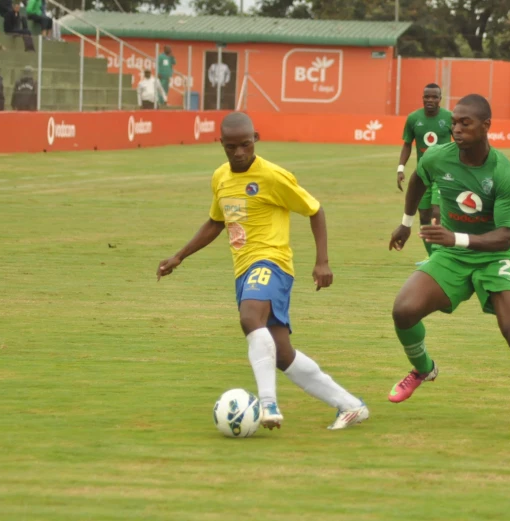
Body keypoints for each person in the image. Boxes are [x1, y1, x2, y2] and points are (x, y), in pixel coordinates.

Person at [156, 112, 369, 431]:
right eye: (231, 147)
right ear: (221, 144)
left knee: (249, 318)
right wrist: (179, 256)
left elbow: (314, 209)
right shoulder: (220, 178)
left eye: (245, 145)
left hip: (272, 262)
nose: (239, 153)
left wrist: (322, 261)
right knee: (282, 354)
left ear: (255, 138)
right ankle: (351, 406)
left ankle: (267, 402)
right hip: (243, 270)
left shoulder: (272, 176)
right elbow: (217, 222)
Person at [387, 94, 510, 432]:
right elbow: (418, 180)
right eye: (454, 123)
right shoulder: (437, 157)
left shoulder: (503, 173)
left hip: (495, 256)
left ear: (486, 126)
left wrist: (456, 238)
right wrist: (405, 222)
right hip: (453, 255)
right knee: (403, 310)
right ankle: (423, 370)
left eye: (465, 123)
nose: (456, 129)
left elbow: (505, 236)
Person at [397, 83, 453, 267]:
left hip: (444, 174)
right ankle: (431, 257)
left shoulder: (449, 118)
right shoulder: (413, 118)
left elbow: (461, 139)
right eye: (426, 96)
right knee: (424, 215)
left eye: (434, 97)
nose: (430, 100)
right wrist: (400, 168)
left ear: (440, 99)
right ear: (422, 98)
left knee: (437, 212)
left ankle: (440, 256)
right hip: (423, 175)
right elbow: (407, 144)